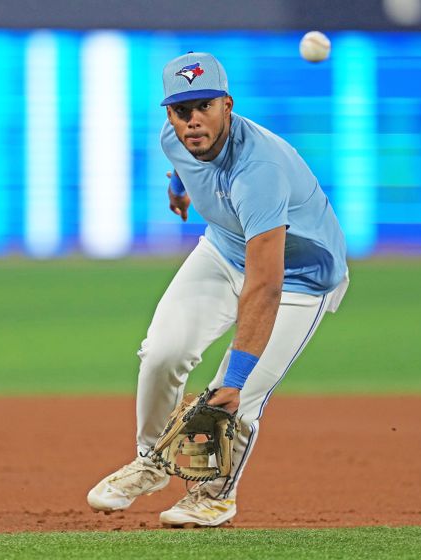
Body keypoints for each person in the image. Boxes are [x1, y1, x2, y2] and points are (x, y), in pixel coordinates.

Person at [87, 51, 348, 528]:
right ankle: (151, 461)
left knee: (237, 393)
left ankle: (215, 495)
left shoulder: (259, 171)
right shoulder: (176, 137)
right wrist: (180, 189)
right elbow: (188, 165)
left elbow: (265, 285)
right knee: (163, 352)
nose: (192, 120)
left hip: (298, 278)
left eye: (204, 106)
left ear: (227, 105)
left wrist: (234, 378)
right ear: (169, 114)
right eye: (181, 110)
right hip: (224, 251)